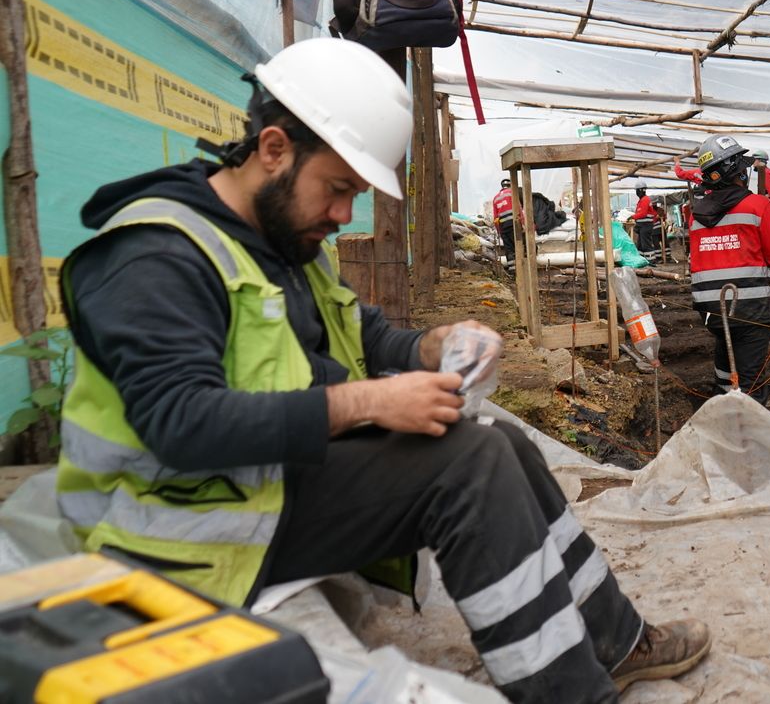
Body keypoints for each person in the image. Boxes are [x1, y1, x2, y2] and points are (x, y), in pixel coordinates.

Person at [55, 39, 710, 702]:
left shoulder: (281, 241)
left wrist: (433, 347)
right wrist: (366, 403)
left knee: (501, 442)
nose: (344, 216)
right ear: (275, 149)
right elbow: (181, 425)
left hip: (256, 486)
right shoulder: (156, 257)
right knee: (470, 466)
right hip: (174, 530)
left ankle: (615, 642)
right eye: (338, 189)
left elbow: (359, 339)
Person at [689, 135, 770, 401]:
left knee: (726, 360)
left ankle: (721, 412)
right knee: (751, 383)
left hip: (711, 309)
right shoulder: (758, 206)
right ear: (737, 170)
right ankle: (748, 433)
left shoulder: (695, 215)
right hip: (748, 308)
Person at [631, 182, 662, 263]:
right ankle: (641, 260)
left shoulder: (645, 200)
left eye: (637, 190)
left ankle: (651, 261)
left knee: (646, 245)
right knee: (640, 245)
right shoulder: (642, 200)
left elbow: (642, 213)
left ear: (641, 190)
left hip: (645, 226)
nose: (636, 192)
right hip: (642, 226)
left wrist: (632, 216)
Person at [491, 178, 515, 262]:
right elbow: (518, 209)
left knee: (509, 249)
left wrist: (499, 231)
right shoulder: (512, 193)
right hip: (513, 224)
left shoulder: (496, 198)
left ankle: (512, 271)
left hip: (503, 226)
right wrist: (523, 223)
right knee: (518, 245)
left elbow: (495, 218)